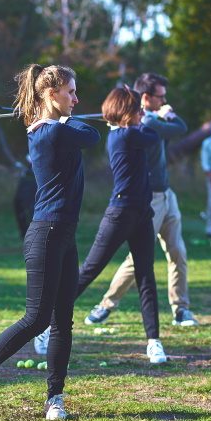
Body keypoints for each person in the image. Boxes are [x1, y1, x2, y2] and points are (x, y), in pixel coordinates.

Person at [0, 64, 100, 421]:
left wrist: (58, 118)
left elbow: (83, 132)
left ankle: (55, 398)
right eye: (70, 92)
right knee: (37, 318)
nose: (77, 98)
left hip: (64, 233)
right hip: (47, 233)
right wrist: (60, 121)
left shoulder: (52, 129)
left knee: (62, 321)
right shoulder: (51, 134)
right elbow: (92, 136)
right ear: (51, 94)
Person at [83, 72, 199, 329]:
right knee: (137, 260)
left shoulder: (151, 119)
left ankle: (181, 309)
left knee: (178, 253)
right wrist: (153, 119)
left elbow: (180, 127)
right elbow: (157, 132)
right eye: (161, 96)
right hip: (148, 200)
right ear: (145, 98)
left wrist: (164, 114)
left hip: (167, 195)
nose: (164, 100)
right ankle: (106, 304)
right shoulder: (138, 127)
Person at [74, 87, 168, 364]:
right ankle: (46, 325)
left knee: (145, 277)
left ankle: (154, 342)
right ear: (127, 112)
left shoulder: (129, 133)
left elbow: (150, 136)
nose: (141, 112)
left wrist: (145, 115)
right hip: (120, 213)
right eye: (137, 109)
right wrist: (154, 116)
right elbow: (153, 135)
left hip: (141, 214)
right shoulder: (124, 135)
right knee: (90, 270)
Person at [13, 154, 37, 239]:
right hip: (23, 194)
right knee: (20, 210)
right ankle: (25, 234)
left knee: (32, 213)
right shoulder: (25, 172)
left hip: (33, 193)